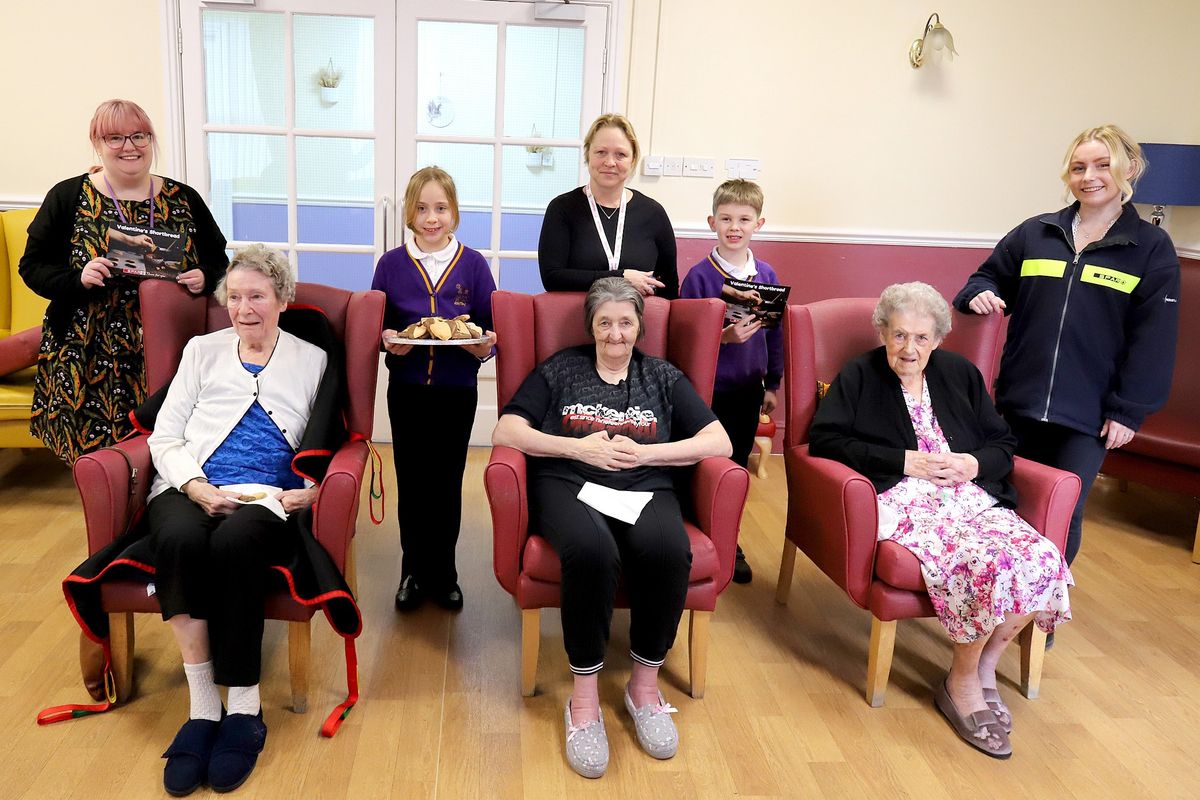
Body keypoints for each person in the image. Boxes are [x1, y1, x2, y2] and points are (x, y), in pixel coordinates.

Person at [809, 282, 1072, 760]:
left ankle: (984, 665)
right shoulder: (860, 375)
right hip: (906, 499)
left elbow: (1002, 443)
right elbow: (825, 440)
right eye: (899, 335)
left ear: (939, 340)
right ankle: (961, 681)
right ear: (883, 332)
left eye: (922, 338)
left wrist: (972, 464)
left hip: (969, 497)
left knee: (1042, 556)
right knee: (983, 562)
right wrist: (903, 460)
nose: (910, 349)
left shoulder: (960, 374)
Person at [492, 276, 731, 778]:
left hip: (645, 483)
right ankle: (583, 701)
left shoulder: (662, 376)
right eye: (605, 322)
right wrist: (580, 447)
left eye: (626, 322)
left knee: (668, 549)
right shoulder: (561, 369)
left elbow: (719, 441)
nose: (615, 333)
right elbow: (507, 429)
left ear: (640, 327)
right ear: (591, 327)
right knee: (590, 550)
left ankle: (643, 687)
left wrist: (647, 453)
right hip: (567, 481)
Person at [953, 125, 1180, 566]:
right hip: (1019, 402)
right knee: (1001, 500)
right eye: (1078, 167)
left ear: (1128, 168)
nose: (1088, 176)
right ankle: (993, 602)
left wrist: (1128, 409)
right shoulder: (1036, 233)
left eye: (1101, 165)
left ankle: (1039, 622)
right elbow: (986, 277)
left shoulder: (1151, 249)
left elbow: (1154, 340)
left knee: (1061, 513)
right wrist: (977, 292)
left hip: (1088, 417)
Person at [19, 98, 228, 464]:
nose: (129, 147)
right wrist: (77, 278)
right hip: (86, 352)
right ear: (97, 143)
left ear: (151, 140)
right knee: (96, 460)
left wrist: (205, 277)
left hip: (169, 348)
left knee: (168, 448)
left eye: (139, 136)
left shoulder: (184, 198)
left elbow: (220, 262)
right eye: (115, 138)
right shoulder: (68, 197)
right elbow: (32, 267)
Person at [373, 166, 497, 612]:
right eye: (422, 208)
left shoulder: (474, 265)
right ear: (409, 212)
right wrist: (391, 344)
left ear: (454, 213)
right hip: (406, 392)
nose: (431, 217)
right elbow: (380, 329)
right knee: (412, 482)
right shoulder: (390, 264)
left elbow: (489, 332)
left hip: (456, 392)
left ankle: (445, 572)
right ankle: (412, 569)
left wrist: (482, 347)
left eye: (441, 208)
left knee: (447, 483)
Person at [679, 179, 782, 584]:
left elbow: (775, 333)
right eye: (725, 218)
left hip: (747, 390)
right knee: (701, 463)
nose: (734, 226)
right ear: (712, 222)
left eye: (743, 219)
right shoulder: (699, 277)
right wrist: (722, 337)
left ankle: (729, 540)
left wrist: (773, 383)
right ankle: (692, 533)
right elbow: (686, 337)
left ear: (759, 223)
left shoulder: (767, 274)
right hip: (706, 390)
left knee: (736, 467)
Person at [538, 114, 678, 299]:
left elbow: (669, 287)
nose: (610, 162)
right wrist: (621, 277)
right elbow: (552, 278)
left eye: (620, 154)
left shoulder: (653, 213)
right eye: (601, 152)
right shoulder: (562, 209)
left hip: (637, 323)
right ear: (588, 154)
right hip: (576, 321)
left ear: (633, 159)